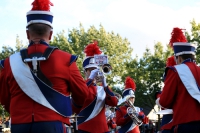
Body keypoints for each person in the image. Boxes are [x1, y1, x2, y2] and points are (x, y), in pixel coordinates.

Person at [0, 0, 89, 133]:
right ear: (51, 34)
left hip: (20, 125)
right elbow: (82, 95)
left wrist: (19, 112)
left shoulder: (8, 63)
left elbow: (5, 99)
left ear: (27, 34)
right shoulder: (66, 60)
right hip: (53, 125)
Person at [156, 27, 200, 133]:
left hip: (184, 124)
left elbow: (165, 101)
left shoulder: (175, 70)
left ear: (179, 57)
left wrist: (158, 100)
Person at [74, 41, 118, 133]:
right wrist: (90, 79)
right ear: (85, 72)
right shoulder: (81, 86)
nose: (94, 73)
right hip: (84, 129)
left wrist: (105, 85)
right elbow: (78, 97)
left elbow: (114, 102)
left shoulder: (102, 89)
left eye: (95, 70)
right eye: (90, 70)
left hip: (102, 129)